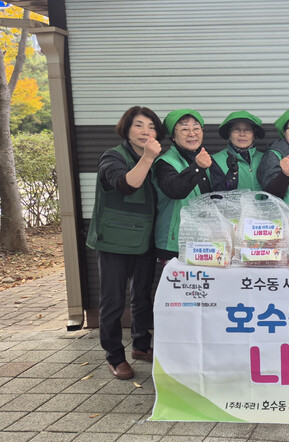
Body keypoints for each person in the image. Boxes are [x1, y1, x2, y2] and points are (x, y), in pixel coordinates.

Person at [86, 106, 165, 380]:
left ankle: (141, 346)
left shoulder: (157, 158)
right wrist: (148, 158)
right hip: (114, 241)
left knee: (142, 295)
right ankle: (115, 356)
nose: (146, 131)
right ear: (127, 129)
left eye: (151, 127)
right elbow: (126, 185)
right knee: (113, 300)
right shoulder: (113, 156)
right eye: (139, 125)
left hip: (143, 239)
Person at [153, 109, 238, 261]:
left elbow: (219, 195)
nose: (192, 134)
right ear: (173, 137)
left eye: (196, 128)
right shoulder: (165, 163)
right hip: (175, 242)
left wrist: (232, 174)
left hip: (205, 240)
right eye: (184, 129)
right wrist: (197, 167)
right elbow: (175, 190)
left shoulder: (206, 158)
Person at [218, 110, 265, 191]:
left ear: (254, 135)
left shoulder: (265, 158)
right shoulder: (215, 161)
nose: (242, 134)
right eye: (236, 129)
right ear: (229, 134)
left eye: (247, 129)